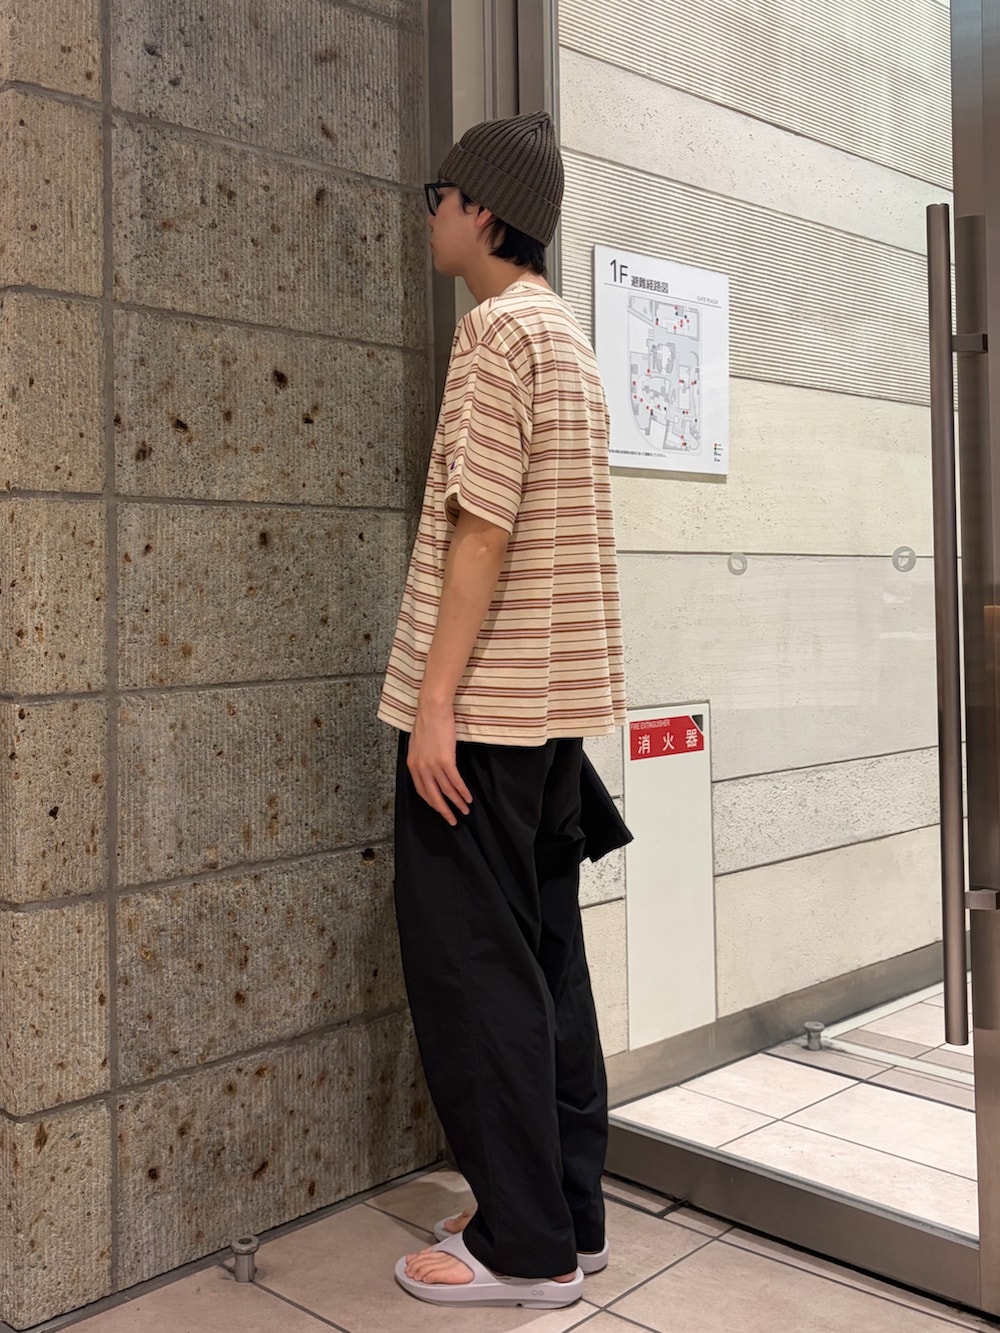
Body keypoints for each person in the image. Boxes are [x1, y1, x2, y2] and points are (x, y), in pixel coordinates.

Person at [377, 110, 626, 1311]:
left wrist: (434, 703)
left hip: (481, 719)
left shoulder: (492, 335)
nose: (428, 213)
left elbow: (482, 528)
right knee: (544, 967)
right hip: (550, 717)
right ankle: (568, 1217)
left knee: (474, 974)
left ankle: (524, 1249)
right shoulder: (564, 336)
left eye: (438, 194)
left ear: (481, 210)